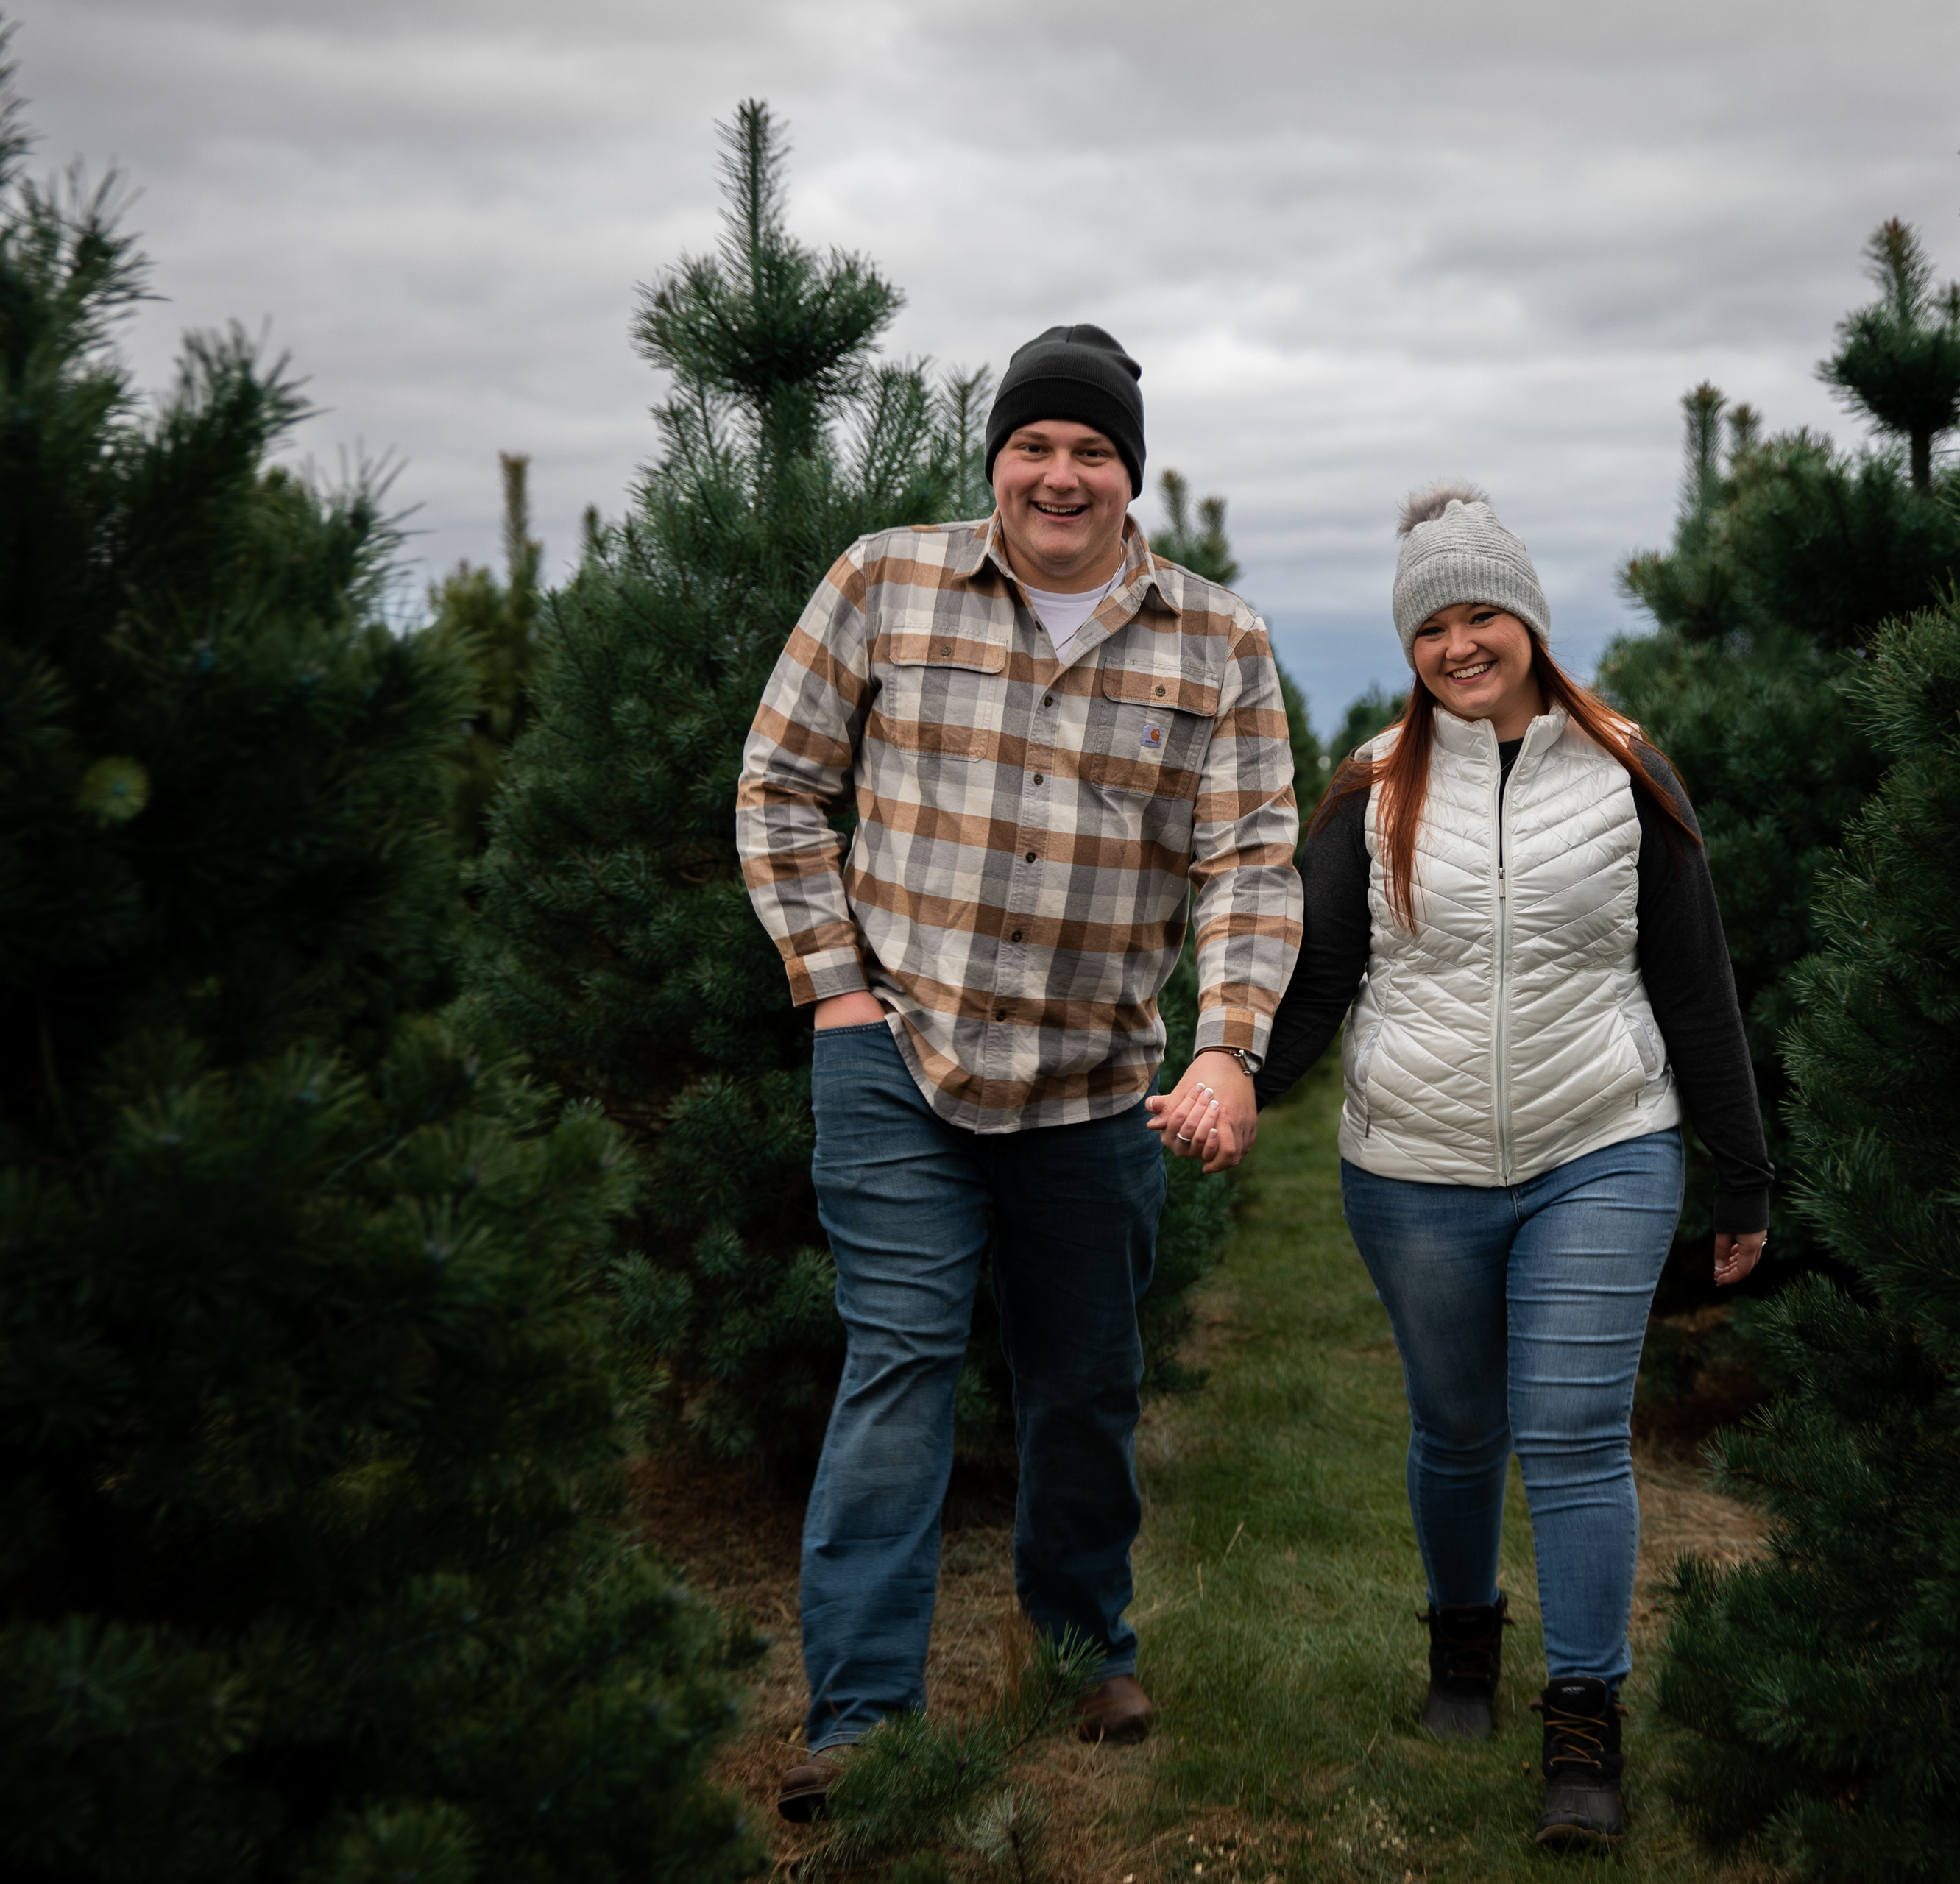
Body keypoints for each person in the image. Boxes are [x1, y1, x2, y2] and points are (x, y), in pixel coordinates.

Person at [735, 323, 1302, 1821]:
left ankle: (1079, 1643)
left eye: (1092, 451)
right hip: (896, 1059)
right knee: (900, 1367)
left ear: (1131, 474)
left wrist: (1229, 1045)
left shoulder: (1219, 642)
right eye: (1035, 446)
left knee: (1084, 1386)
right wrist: (833, 986)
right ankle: (863, 1715)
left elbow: (1250, 862)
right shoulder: (885, 581)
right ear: (995, 459)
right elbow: (781, 781)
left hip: (1095, 1082)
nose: (1062, 475)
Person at [1158, 484, 1770, 1849]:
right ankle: (1461, 1642)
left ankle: (1584, 1724)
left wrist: (1743, 1174)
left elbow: (1695, 983)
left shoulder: (1627, 773)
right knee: (1455, 1427)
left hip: (1600, 1145)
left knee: (1572, 1433)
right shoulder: (1374, 788)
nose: (1457, 644)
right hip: (1415, 1168)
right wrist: (1234, 1083)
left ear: (1531, 620)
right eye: (1430, 626)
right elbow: (1317, 983)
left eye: (1481, 613)